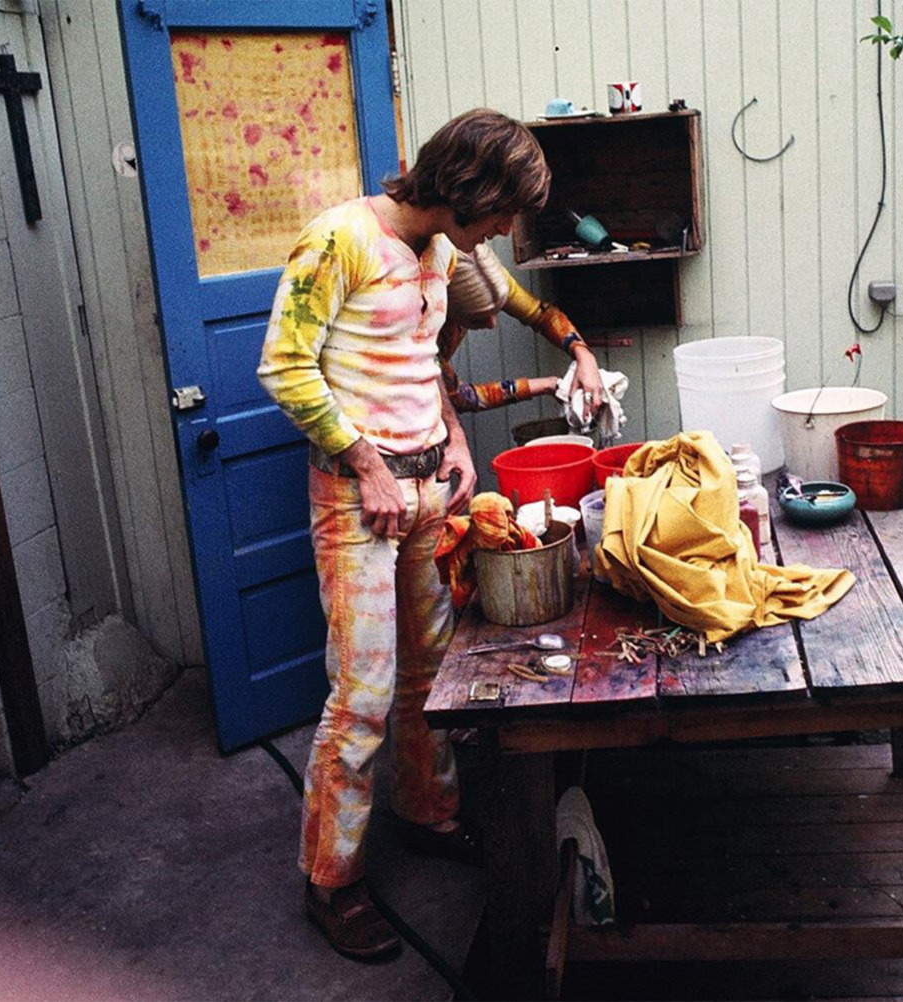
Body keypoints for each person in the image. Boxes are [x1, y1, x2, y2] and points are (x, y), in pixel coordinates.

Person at [256, 108, 556, 961]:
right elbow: (283, 365)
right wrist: (369, 466)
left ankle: (427, 813)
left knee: (434, 675)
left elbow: (422, 362)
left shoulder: (438, 252)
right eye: (502, 212)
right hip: (362, 498)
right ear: (470, 188)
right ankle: (332, 881)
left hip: (429, 488)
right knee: (362, 696)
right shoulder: (339, 239)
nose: (504, 230)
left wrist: (455, 441)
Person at [439, 242, 604, 415]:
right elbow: (462, 397)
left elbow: (544, 316)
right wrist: (547, 385)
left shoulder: (486, 278)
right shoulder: (421, 328)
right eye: (478, 317)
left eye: (498, 309)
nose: (492, 323)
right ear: (446, 308)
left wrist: (583, 354)